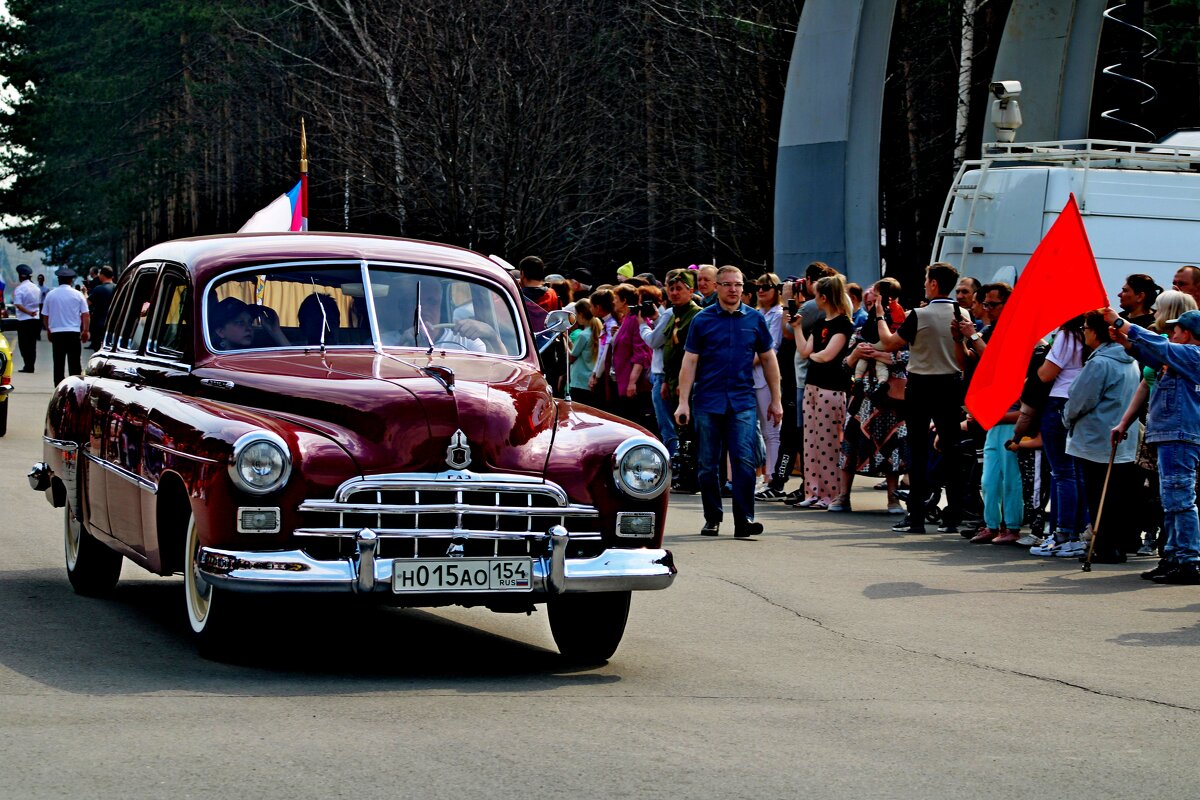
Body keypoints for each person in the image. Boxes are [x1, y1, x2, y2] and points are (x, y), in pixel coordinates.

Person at [675, 266, 782, 538]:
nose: (733, 289)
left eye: (738, 284)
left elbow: (769, 359)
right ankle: (713, 517)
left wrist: (776, 400)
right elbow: (690, 361)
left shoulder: (755, 319)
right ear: (718, 287)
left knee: (744, 460)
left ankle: (744, 519)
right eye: (727, 284)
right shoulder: (703, 320)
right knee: (708, 465)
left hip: (742, 400)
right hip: (708, 401)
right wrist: (683, 402)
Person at [873, 262, 966, 534]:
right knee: (951, 450)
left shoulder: (919, 314)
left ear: (934, 284)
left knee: (917, 449)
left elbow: (890, 343)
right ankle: (953, 515)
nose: (925, 284)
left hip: (922, 383)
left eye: (927, 280)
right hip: (951, 383)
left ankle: (916, 517)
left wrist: (880, 316)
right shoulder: (963, 314)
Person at [1109, 307, 1200, 582]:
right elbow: (1153, 353)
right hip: (1172, 435)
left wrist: (1120, 323)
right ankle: (1173, 556)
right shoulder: (1183, 356)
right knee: (1172, 500)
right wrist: (1128, 344)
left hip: (1179, 435)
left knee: (1179, 498)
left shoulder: (1192, 355)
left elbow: (1159, 347)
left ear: (1187, 334)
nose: (1170, 334)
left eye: (1175, 330)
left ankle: (1188, 560)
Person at [1062, 311, 1141, 564]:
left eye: (1085, 327)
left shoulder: (1100, 363)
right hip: (1121, 438)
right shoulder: (1130, 360)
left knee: (1099, 496)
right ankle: (1115, 545)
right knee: (1115, 496)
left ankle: (1105, 547)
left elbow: (1080, 400)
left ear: (1096, 332)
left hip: (1097, 438)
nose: (1083, 332)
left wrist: (1066, 418)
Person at [840, 277, 909, 514]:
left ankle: (893, 499)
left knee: (893, 445)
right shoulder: (860, 329)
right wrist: (856, 354)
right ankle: (843, 496)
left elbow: (910, 358)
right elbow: (844, 365)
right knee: (851, 443)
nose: (872, 307)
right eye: (869, 303)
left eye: (876, 302)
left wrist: (882, 356)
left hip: (890, 396)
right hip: (862, 397)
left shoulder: (904, 325)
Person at [790, 274, 854, 510]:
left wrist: (815, 356)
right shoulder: (820, 324)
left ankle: (830, 493)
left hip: (831, 388)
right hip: (813, 386)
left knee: (828, 443)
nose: (813, 299)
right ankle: (813, 490)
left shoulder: (844, 325)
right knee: (811, 441)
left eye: (816, 295)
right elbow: (806, 351)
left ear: (824, 297)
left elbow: (827, 355)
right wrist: (797, 328)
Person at [1028, 315, 1089, 558]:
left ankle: (1064, 533)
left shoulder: (1067, 334)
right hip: (1082, 400)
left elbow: (1046, 373)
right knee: (1077, 471)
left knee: (1063, 472)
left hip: (1060, 400)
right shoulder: (1089, 334)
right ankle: (1075, 532)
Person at [782, 261, 838, 506]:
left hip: (810, 380)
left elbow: (787, 332)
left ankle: (817, 488)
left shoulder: (815, 308)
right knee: (810, 438)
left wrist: (788, 301)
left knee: (814, 439)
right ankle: (813, 489)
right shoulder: (820, 312)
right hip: (808, 378)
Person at [752, 273, 785, 487]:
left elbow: (771, 347)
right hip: (748, 377)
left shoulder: (778, 314)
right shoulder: (753, 313)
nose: (762, 290)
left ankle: (771, 475)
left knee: (770, 429)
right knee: (748, 428)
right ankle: (756, 474)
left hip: (764, 376)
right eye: (758, 287)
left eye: (767, 287)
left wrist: (742, 363)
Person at [639, 283, 678, 455]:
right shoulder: (666, 314)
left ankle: (672, 461)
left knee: (666, 425)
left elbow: (654, 341)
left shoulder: (670, 313)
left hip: (663, 375)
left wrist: (642, 325)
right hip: (663, 374)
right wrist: (656, 317)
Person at [41, 266, 90, 385]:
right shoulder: (78, 295)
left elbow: (45, 316)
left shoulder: (51, 295)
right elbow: (86, 314)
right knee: (74, 364)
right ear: (71, 280)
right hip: (73, 333)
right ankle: (76, 388)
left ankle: (59, 388)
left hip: (57, 333)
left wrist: (48, 329)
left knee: (58, 363)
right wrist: (85, 331)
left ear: (58, 280)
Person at [568, 298, 601, 406]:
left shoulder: (583, 335)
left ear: (581, 314)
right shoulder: (597, 331)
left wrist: (564, 340)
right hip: (590, 380)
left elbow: (572, 357)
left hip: (579, 382)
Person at [12, 264, 41, 372]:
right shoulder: (36, 288)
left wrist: (28, 312)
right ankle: (31, 366)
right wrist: (32, 312)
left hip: (23, 320)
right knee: (32, 344)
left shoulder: (20, 289)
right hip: (35, 319)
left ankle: (27, 365)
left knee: (23, 344)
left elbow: (18, 305)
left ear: (20, 276)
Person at [87, 266, 116, 350]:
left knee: (98, 348)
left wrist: (85, 293)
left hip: (99, 324)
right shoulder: (118, 288)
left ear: (102, 275)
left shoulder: (98, 289)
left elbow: (87, 303)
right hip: (114, 324)